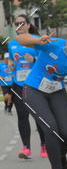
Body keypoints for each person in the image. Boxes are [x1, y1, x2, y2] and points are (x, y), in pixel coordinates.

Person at [19, 31, 67, 169]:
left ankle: (61, 155)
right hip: (34, 90)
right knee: (50, 127)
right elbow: (21, 39)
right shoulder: (55, 43)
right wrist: (38, 40)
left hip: (57, 92)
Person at [7, 15, 46, 158]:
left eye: (22, 23)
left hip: (35, 84)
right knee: (22, 116)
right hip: (18, 84)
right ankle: (26, 148)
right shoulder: (12, 43)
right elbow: (11, 57)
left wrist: (34, 59)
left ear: (29, 25)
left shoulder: (37, 41)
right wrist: (10, 63)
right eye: (17, 23)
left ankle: (44, 146)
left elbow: (45, 59)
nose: (20, 26)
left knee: (38, 117)